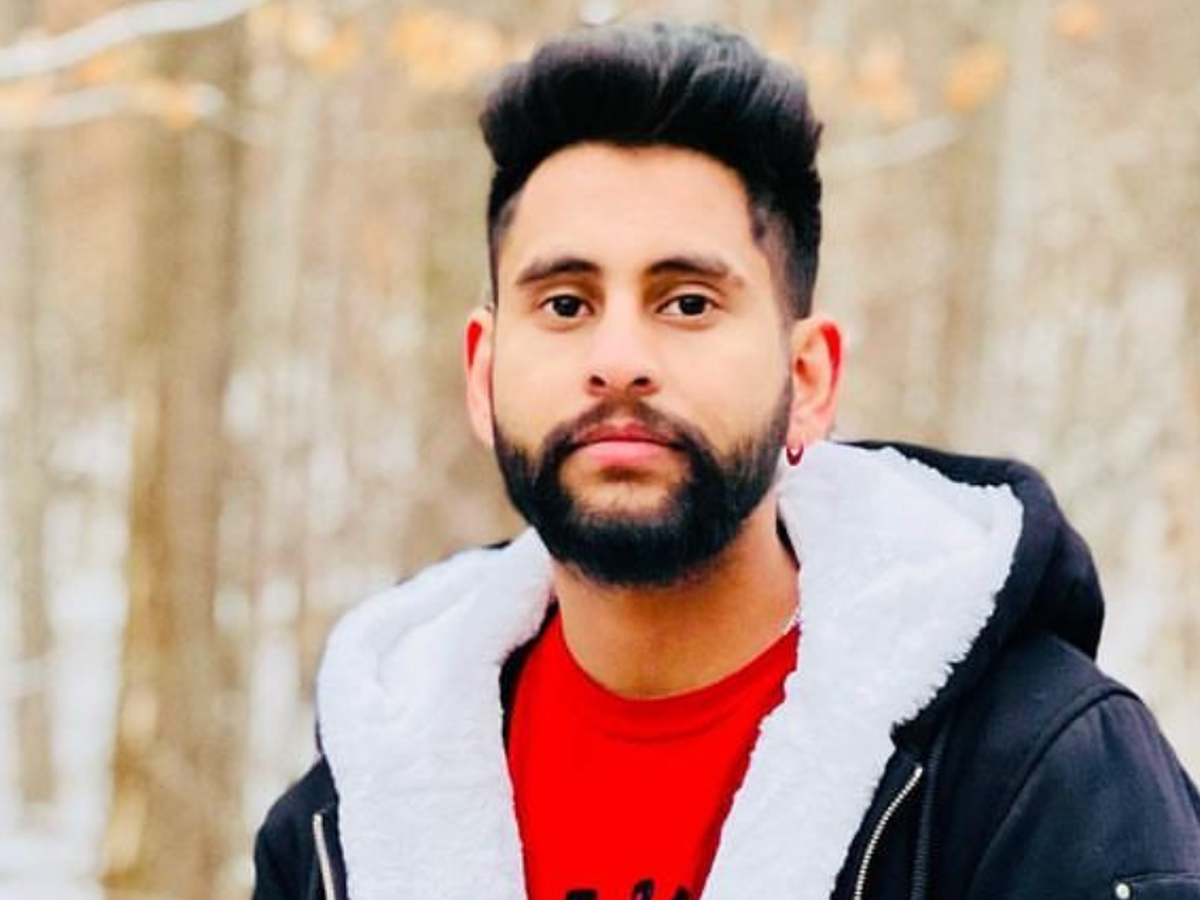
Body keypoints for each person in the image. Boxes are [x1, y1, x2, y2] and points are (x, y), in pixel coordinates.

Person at [252, 21, 1200, 900]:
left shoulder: (1047, 778)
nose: (618, 359)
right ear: (483, 372)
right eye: (566, 304)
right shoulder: (347, 828)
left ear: (808, 379)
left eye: (688, 303)